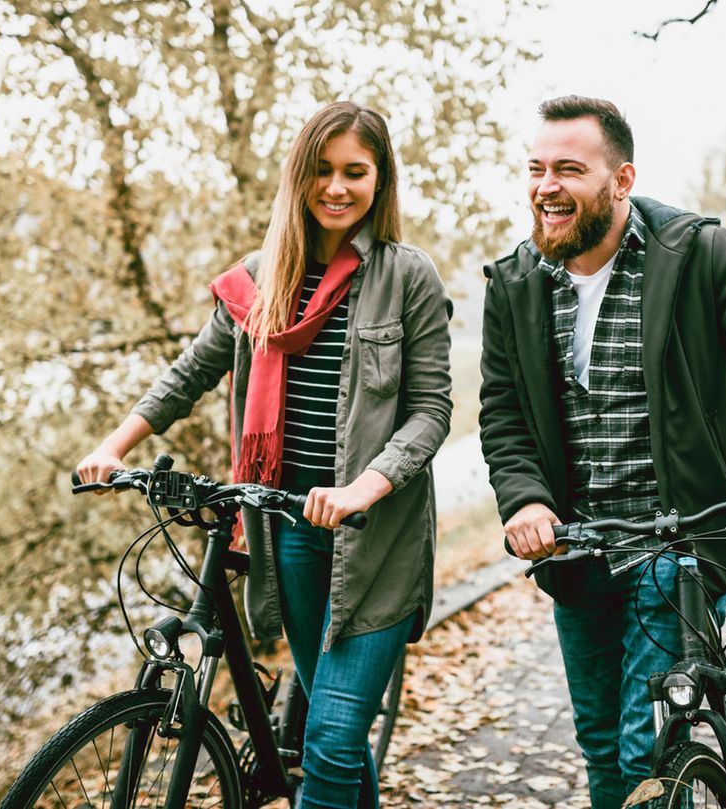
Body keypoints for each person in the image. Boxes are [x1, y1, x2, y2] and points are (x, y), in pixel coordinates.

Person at [478, 96, 726, 808]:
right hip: (578, 546)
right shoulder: (518, 283)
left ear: (621, 181)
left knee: (639, 746)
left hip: (681, 539)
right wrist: (525, 498)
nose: (546, 185)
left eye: (568, 168)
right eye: (535, 168)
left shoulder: (699, 254)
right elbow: (504, 414)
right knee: (599, 746)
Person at [76, 101, 452, 809]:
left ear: (380, 181)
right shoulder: (260, 281)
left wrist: (365, 487)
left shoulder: (408, 277)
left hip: (378, 544)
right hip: (291, 539)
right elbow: (187, 374)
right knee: (335, 747)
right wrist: (111, 446)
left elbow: (431, 411)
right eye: (322, 170)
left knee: (334, 740)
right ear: (298, 177)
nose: (336, 187)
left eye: (355, 172)